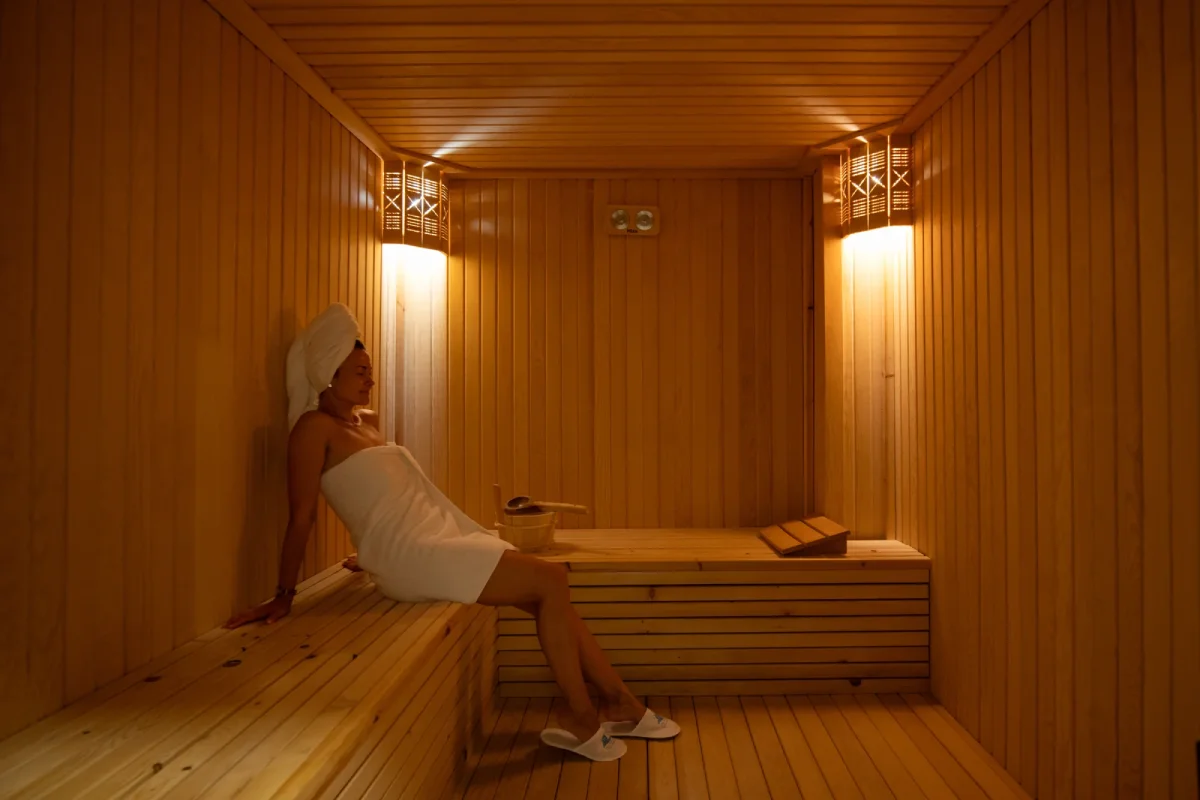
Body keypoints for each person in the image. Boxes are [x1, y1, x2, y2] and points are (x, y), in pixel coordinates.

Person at [224, 303, 678, 761]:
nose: (370, 380)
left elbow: (383, 498)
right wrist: (285, 593)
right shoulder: (311, 431)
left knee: (550, 592)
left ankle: (620, 702)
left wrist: (369, 549)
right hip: (410, 555)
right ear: (329, 372)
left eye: (370, 371)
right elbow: (302, 516)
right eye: (360, 372)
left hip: (426, 542)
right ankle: (584, 716)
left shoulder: (366, 423)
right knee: (552, 580)